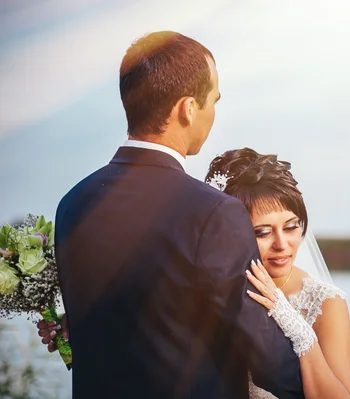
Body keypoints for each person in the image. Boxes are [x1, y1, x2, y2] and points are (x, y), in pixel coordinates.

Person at [40, 31, 305, 398]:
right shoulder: (213, 213)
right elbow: (265, 355)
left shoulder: (72, 204)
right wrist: (320, 382)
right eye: (213, 100)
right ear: (188, 108)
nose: (213, 112)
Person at [205, 148, 350, 399]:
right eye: (262, 232)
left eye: (291, 227)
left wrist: (297, 329)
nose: (282, 244)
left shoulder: (326, 303)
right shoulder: (213, 290)